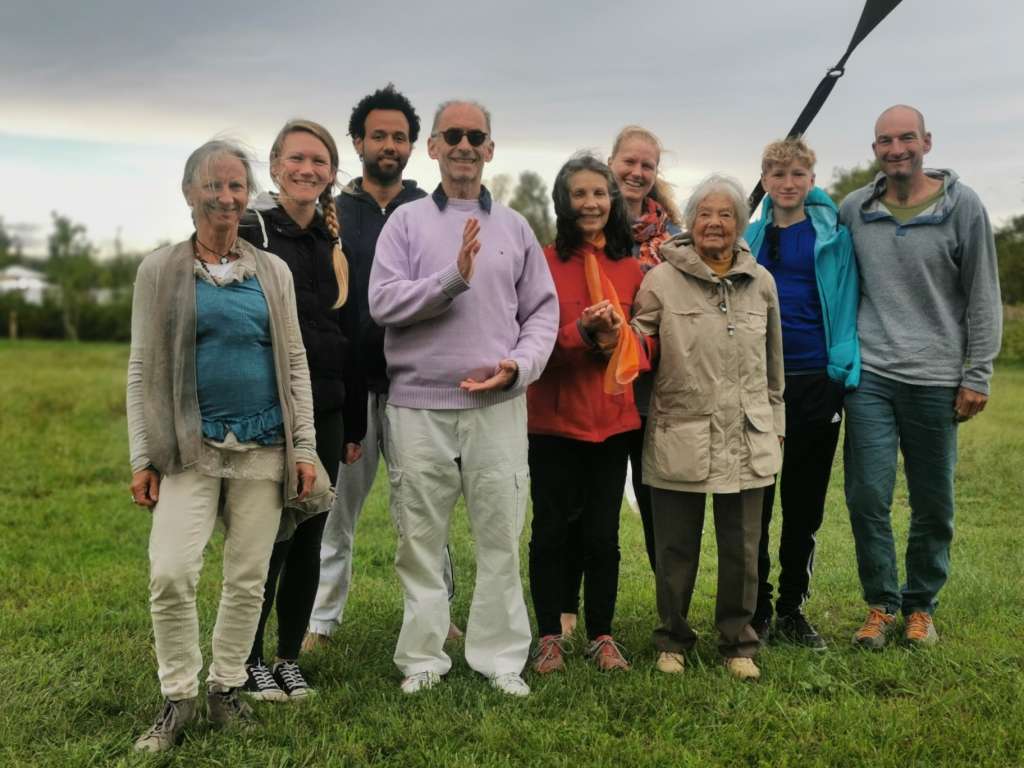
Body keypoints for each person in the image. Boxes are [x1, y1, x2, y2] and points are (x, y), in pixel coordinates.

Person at [128, 140, 325, 752]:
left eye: (236, 186)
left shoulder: (272, 271)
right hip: (189, 447)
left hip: (266, 444)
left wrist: (305, 449)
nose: (226, 197)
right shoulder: (160, 269)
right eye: (213, 185)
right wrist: (141, 454)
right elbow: (141, 367)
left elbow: (294, 359)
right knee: (171, 571)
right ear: (189, 193)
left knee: (247, 578)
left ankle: (225, 689)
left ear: (247, 194)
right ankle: (179, 697)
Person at [368, 100, 559, 696]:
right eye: (452, 135)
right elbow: (383, 302)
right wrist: (453, 279)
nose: (464, 145)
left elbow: (543, 314)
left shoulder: (516, 227)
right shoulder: (403, 224)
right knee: (419, 540)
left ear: (490, 148)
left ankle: (500, 659)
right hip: (419, 406)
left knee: (500, 534)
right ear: (433, 147)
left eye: (476, 135)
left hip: (497, 408)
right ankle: (423, 659)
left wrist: (519, 367)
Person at [304, 85, 460, 652]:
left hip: (414, 385)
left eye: (399, 136)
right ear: (358, 142)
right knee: (333, 510)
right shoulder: (333, 214)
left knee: (423, 508)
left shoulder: (432, 212)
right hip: (347, 386)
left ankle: (438, 613)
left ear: (415, 146)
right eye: (378, 135)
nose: (388, 145)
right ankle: (321, 620)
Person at [839, 105, 1002, 648]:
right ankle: (881, 607)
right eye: (885, 140)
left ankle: (921, 607)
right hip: (873, 377)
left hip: (937, 377)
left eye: (906, 137)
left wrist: (976, 373)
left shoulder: (963, 205)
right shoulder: (855, 210)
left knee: (934, 502)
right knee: (866, 496)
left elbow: (983, 295)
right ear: (875, 149)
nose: (896, 148)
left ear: (926, 142)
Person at [631, 174, 784, 681]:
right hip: (680, 431)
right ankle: (673, 638)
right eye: (704, 214)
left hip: (747, 432)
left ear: (740, 223)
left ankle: (738, 642)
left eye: (725, 214)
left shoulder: (761, 281)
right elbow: (637, 347)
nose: (714, 223)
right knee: (675, 546)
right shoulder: (660, 279)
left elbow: (773, 367)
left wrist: (775, 424)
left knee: (742, 546)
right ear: (689, 222)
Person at [236, 119, 364, 701]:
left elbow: (349, 335)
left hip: (329, 410)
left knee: (312, 533)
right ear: (275, 164)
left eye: (320, 161)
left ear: (332, 173)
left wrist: (354, 421)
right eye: (297, 159)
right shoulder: (252, 230)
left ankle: (288, 657)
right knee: (269, 538)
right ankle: (248, 657)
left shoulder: (333, 244)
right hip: (271, 411)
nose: (308, 170)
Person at [527, 154, 648, 674]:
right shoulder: (543, 262)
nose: (591, 203)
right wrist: (581, 333)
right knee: (551, 530)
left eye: (599, 194)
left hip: (612, 420)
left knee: (603, 534)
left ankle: (602, 633)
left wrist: (617, 341)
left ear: (612, 200)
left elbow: (649, 345)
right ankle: (549, 635)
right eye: (579, 194)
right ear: (564, 201)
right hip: (553, 419)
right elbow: (530, 342)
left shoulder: (632, 268)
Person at [560, 125, 682, 638]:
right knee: (582, 508)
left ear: (655, 175)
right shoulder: (581, 233)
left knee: (658, 507)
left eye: (646, 166)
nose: (636, 173)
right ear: (610, 166)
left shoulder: (676, 240)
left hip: (656, 396)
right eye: (628, 163)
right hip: (594, 395)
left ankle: (670, 616)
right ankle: (565, 611)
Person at [744, 137, 861, 649]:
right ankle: (758, 608)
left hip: (817, 378)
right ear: (765, 180)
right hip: (763, 382)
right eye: (777, 174)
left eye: (797, 174)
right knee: (759, 501)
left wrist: (841, 367)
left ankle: (793, 607)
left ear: (811, 179)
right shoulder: (750, 236)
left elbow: (849, 297)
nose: (787, 183)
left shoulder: (833, 235)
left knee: (804, 503)